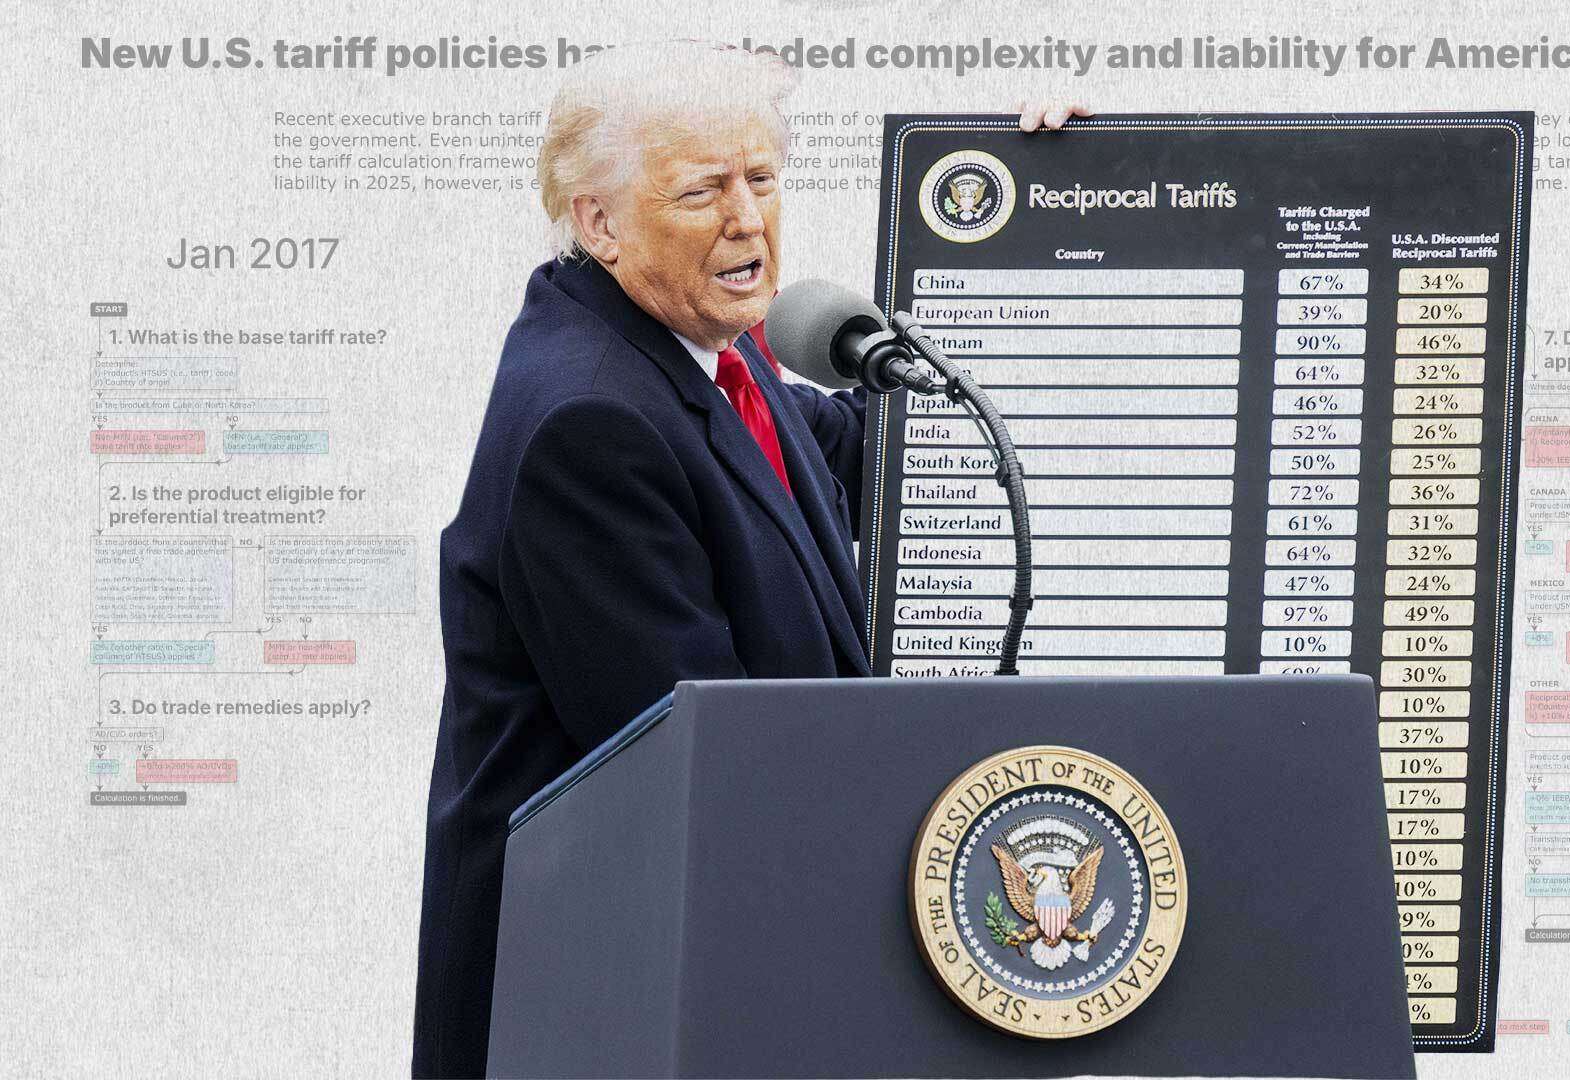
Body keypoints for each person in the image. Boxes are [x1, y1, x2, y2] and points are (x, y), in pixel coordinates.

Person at [411, 41, 1088, 1078]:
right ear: (599, 222)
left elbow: (878, 460)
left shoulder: (702, 351)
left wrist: (1045, 212)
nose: (747, 219)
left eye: (762, 179)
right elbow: (719, 772)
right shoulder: (590, 423)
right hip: (609, 1013)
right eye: (701, 191)